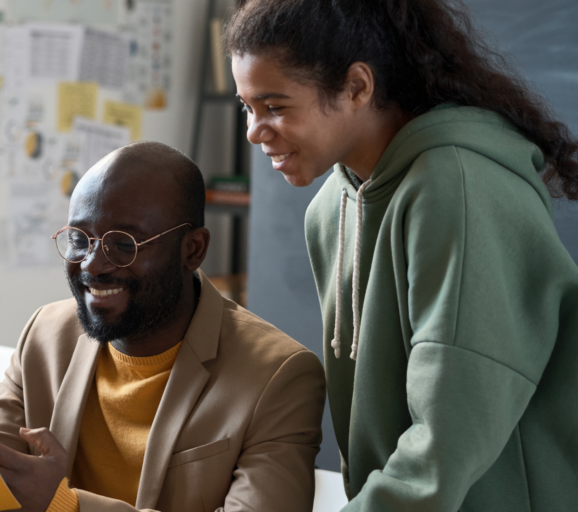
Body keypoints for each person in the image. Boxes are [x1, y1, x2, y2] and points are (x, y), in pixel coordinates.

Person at [227, 0, 578, 510]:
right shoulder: (330, 208)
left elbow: (448, 436)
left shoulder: (459, 189)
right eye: (247, 107)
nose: (254, 131)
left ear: (357, 87)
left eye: (275, 106)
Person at [0, 141, 327, 512]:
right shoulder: (47, 334)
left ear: (192, 250)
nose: (93, 265)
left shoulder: (279, 375)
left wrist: (66, 506)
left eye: (123, 244)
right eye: (80, 239)